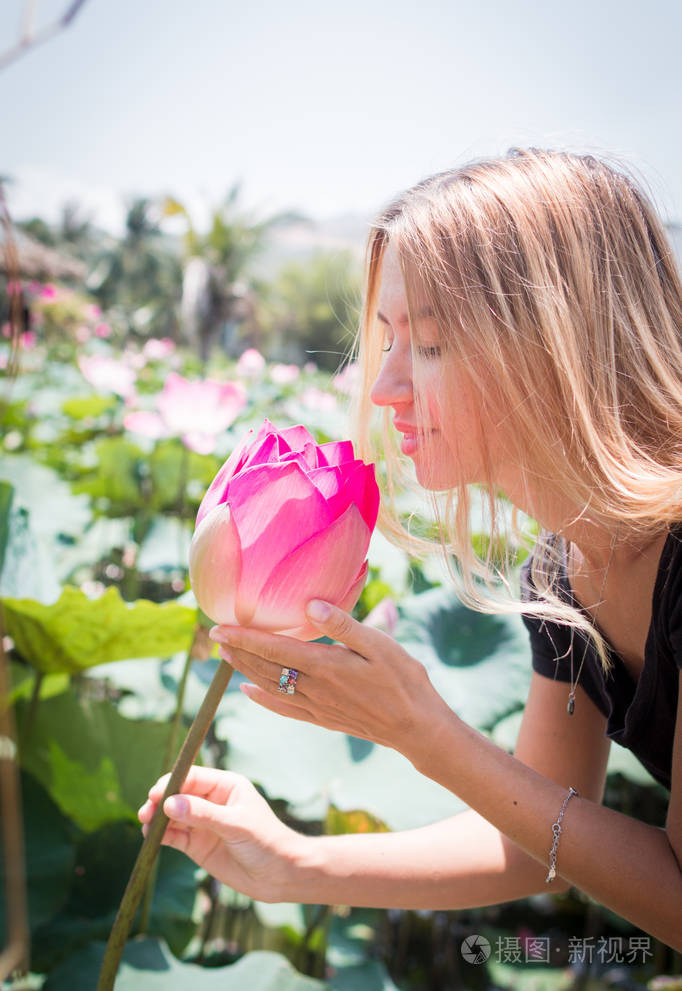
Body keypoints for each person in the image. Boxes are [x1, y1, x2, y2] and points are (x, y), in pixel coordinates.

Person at [139, 148, 682, 950]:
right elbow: (535, 845)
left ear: (555, 350)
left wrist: (425, 732)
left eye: (427, 344)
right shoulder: (562, 567)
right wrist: (296, 861)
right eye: (387, 340)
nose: (385, 386)